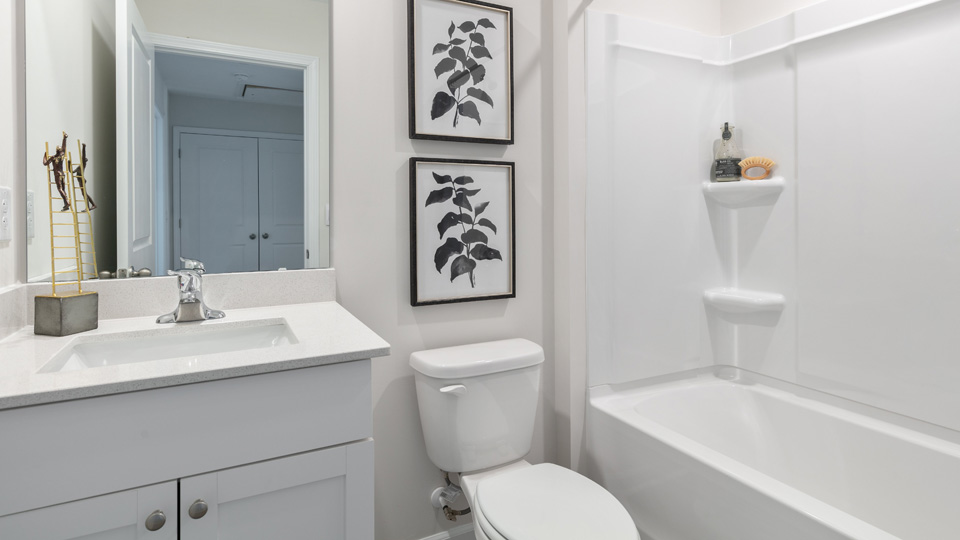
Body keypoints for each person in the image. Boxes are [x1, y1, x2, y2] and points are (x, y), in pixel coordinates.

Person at [42, 131, 70, 211]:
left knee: (60, 189)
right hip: (62, 174)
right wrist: (64, 138)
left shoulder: (53, 158)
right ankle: (66, 204)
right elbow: (64, 148)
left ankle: (67, 202)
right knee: (63, 190)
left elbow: (45, 163)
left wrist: (44, 156)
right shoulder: (62, 156)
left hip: (57, 175)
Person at [71, 142, 96, 210]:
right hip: (80, 180)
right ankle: (93, 205)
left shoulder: (83, 165)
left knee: (84, 194)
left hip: (81, 180)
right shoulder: (79, 167)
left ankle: (89, 206)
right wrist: (69, 164)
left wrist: (84, 147)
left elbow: (83, 155)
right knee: (84, 194)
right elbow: (72, 172)